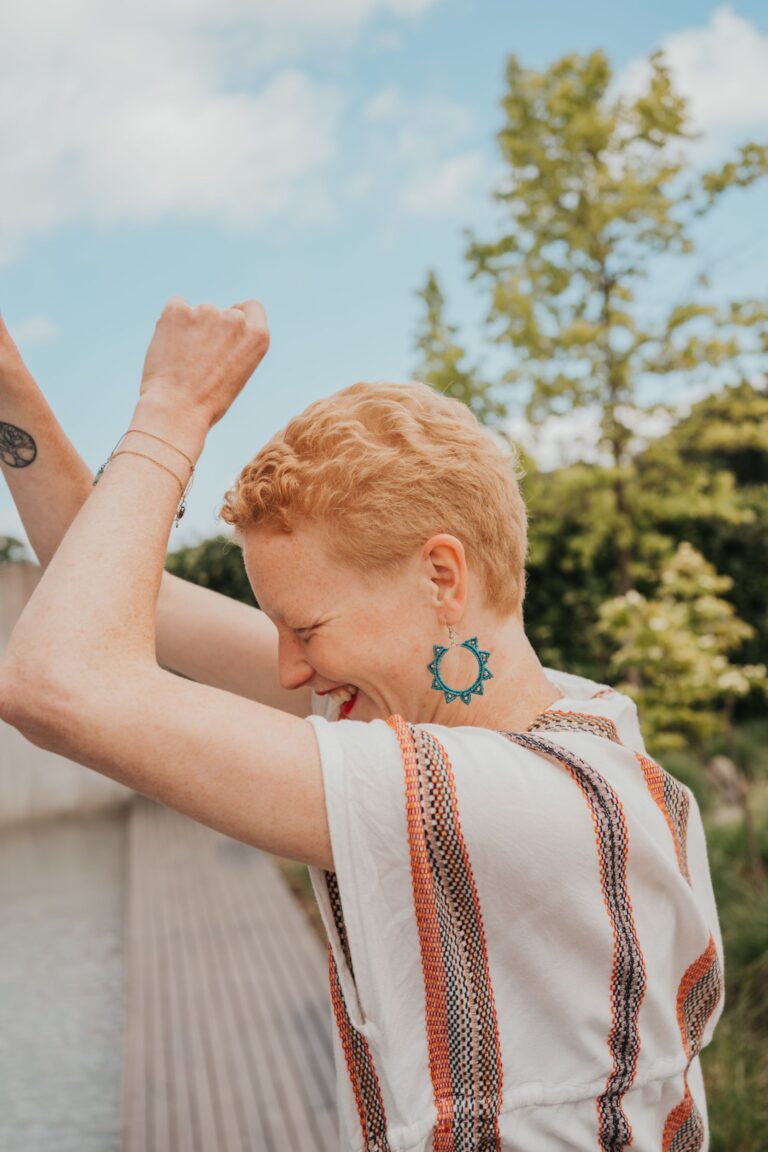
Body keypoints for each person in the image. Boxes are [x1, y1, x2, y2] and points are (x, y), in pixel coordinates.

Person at [0, 300, 725, 1151]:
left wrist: (172, 408)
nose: (287, 671)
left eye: (305, 629)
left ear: (440, 576)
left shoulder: (522, 801)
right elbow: (124, 601)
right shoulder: (562, 719)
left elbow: (58, 680)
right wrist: (11, 388)